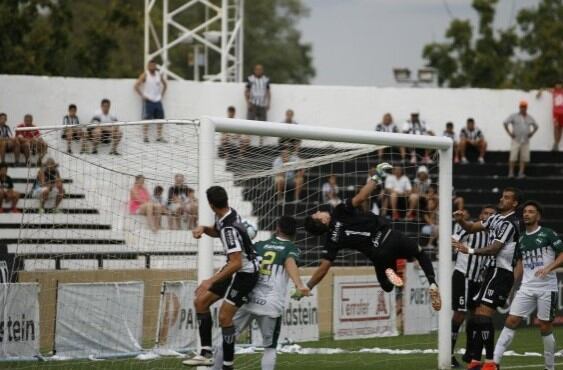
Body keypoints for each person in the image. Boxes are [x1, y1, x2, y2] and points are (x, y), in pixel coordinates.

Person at [299, 163, 442, 311]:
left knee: (387, 287)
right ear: (322, 220)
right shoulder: (338, 211)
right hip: (389, 236)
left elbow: (323, 268)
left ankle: (392, 274)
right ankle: (432, 283)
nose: (318, 211)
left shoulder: (331, 241)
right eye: (316, 214)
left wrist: (308, 286)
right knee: (420, 253)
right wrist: (377, 176)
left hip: (378, 254)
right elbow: (361, 197)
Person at [212, 216, 310, 370]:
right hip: (270, 303)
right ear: (294, 232)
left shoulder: (258, 245)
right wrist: (299, 285)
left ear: (277, 228)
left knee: (227, 337)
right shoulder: (292, 248)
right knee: (270, 348)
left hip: (247, 298)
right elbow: (290, 262)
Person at [183, 186, 259, 368]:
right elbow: (217, 231)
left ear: (210, 205)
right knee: (200, 302)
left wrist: (210, 280)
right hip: (235, 268)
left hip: (245, 274)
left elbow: (236, 263)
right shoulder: (228, 214)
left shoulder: (229, 229)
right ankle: (206, 353)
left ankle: (227, 365)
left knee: (224, 317)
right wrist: (203, 228)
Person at [453, 187, 522, 370]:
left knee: (483, 316)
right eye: (502, 196)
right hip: (491, 271)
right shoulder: (494, 218)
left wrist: (470, 250)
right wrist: (461, 221)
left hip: (502, 272)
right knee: (477, 316)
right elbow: (471, 227)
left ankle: (490, 363)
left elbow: (494, 248)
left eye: (507, 198)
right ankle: (476, 361)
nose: (502, 199)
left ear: (514, 203)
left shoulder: (511, 222)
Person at [492, 201, 562, 370]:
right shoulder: (521, 239)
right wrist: (511, 284)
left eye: (531, 212)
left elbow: (562, 255)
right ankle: (494, 363)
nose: (526, 214)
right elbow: (519, 264)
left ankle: (549, 367)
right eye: (524, 212)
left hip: (547, 288)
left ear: (538, 216)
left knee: (545, 326)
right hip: (526, 288)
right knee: (511, 320)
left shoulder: (548, 234)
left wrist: (549, 268)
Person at [450, 206, 496, 368]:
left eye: (492, 214)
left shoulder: (495, 235)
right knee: (459, 314)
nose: (488, 216)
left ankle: (470, 353)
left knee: (476, 317)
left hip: (478, 280)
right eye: (486, 213)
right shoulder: (470, 228)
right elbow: (453, 239)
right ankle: (448, 354)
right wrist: (459, 248)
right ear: (480, 215)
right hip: (463, 276)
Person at [503, 101, 538, 178]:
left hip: (525, 140)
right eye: (522, 107)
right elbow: (505, 123)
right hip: (516, 139)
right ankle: (511, 173)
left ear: (526, 108)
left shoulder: (529, 117)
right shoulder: (514, 116)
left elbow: (536, 126)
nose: (523, 108)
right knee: (513, 156)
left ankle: (521, 173)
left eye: (524, 107)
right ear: (519, 107)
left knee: (524, 157)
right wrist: (509, 133)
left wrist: (531, 133)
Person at [134, 60, 167, 143]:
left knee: (161, 118)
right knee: (146, 118)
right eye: (150, 65)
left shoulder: (159, 75)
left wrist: (161, 95)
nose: (152, 67)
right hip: (148, 100)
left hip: (157, 100)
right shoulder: (145, 74)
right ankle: (145, 136)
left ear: (156, 66)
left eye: (154, 65)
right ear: (148, 66)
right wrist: (142, 96)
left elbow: (165, 85)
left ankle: (159, 136)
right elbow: (136, 86)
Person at [536, 82, 563, 151]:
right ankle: (555, 143)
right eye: (557, 84)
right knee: (556, 127)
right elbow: (544, 89)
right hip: (556, 113)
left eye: (560, 84)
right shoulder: (553, 90)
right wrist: (539, 92)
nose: (558, 86)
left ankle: (557, 143)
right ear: (555, 85)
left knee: (560, 128)